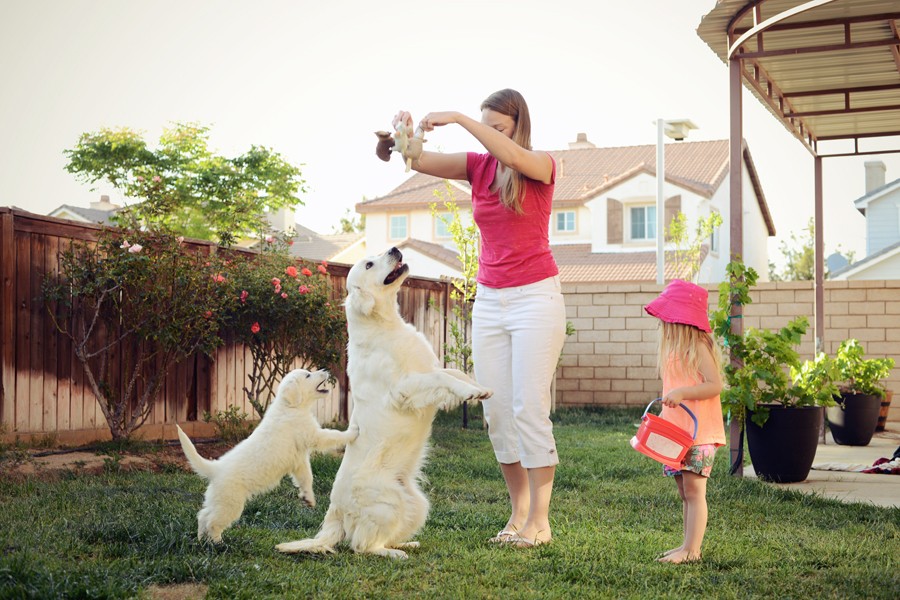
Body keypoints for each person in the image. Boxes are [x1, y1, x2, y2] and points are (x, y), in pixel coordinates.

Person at [388, 89, 565, 548]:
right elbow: (419, 161)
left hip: (535, 300)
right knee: (496, 413)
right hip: (490, 300)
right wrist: (404, 136)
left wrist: (463, 118)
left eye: (498, 129)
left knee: (529, 408)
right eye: (487, 128)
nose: (490, 140)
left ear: (517, 127)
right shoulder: (477, 167)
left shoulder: (541, 165)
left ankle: (540, 523)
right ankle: (519, 513)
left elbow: (506, 152)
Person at [644, 279, 725, 564]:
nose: (662, 325)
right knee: (684, 491)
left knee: (694, 490)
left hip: (699, 433)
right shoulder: (675, 352)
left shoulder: (698, 347)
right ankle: (686, 545)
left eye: (667, 318)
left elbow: (714, 385)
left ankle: (692, 550)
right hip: (678, 434)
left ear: (681, 320)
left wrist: (683, 393)